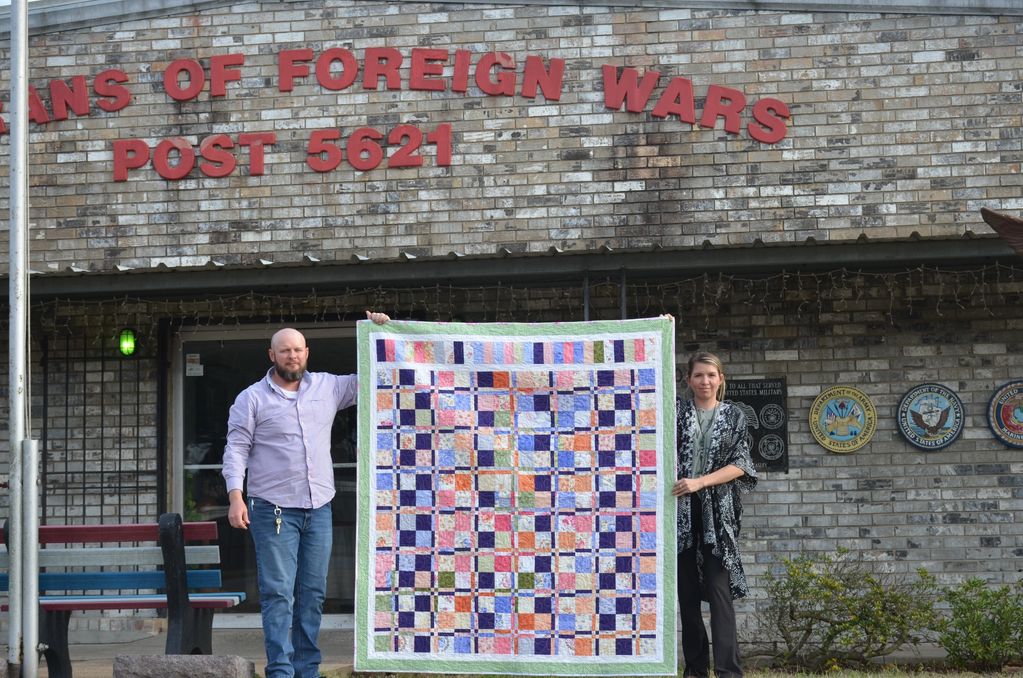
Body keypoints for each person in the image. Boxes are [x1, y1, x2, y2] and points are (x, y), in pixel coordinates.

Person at [222, 310, 389, 678]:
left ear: (307, 353)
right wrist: (236, 495)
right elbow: (236, 449)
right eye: (284, 350)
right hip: (273, 509)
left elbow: (379, 377)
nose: (292, 356)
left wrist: (385, 331)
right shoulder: (251, 399)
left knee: (313, 595)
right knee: (279, 594)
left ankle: (307, 669)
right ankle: (281, 671)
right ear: (272, 355)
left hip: (320, 509)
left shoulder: (329, 387)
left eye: (297, 349)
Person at [671, 352, 758, 678]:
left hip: (717, 517)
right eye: (698, 375)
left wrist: (700, 482)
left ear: (720, 379)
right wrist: (664, 329)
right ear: (688, 380)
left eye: (710, 375)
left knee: (721, 598)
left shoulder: (734, 416)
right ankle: (695, 670)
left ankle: (728, 671)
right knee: (688, 598)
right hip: (679, 514)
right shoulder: (677, 412)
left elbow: (741, 465)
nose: (704, 381)